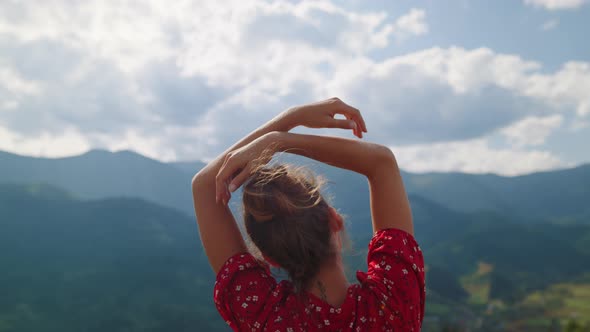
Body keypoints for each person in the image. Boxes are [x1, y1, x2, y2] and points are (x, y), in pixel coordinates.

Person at [192, 98, 425, 331]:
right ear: (335, 220)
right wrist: (279, 141)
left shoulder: (262, 315)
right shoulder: (393, 303)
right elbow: (381, 162)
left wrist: (289, 121)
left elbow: (204, 186)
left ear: (269, 258)